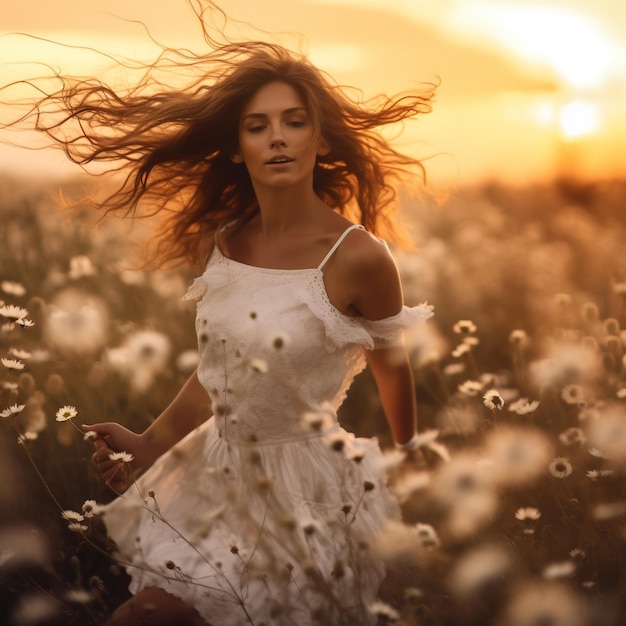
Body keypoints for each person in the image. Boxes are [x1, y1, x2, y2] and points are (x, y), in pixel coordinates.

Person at [8, 7, 435, 625]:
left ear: (321, 137)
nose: (279, 137)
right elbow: (219, 373)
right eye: (258, 127)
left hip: (303, 491)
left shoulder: (360, 258)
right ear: (238, 149)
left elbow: (392, 366)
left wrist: (410, 456)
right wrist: (149, 445)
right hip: (214, 474)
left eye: (295, 122)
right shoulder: (229, 241)